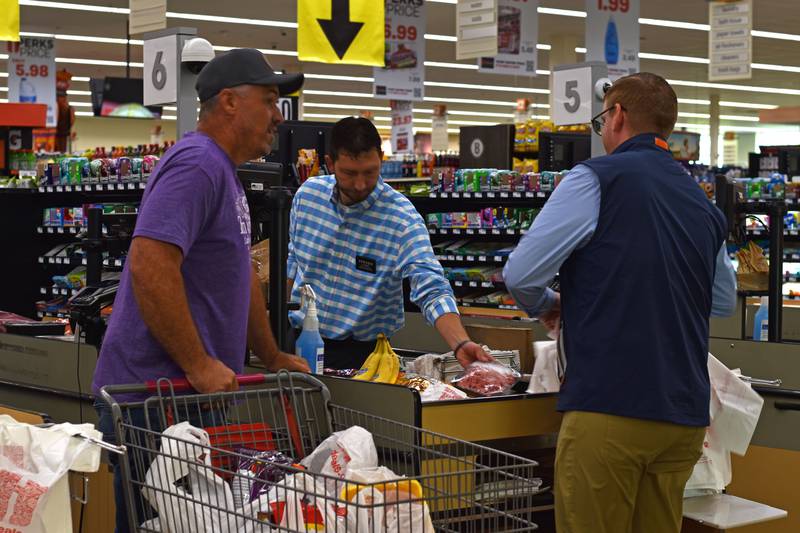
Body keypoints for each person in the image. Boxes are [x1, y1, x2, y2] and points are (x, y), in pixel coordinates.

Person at [502, 72, 737, 533]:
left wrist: (551, 303)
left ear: (618, 116)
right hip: (683, 417)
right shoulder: (703, 204)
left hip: (609, 408)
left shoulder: (595, 178)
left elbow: (520, 274)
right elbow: (723, 300)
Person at [92, 48, 309, 532]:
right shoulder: (197, 164)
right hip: (152, 400)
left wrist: (270, 354)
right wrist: (197, 362)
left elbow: (243, 274)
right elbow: (150, 264)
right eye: (270, 100)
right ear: (230, 102)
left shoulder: (225, 173)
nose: (279, 115)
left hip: (184, 401)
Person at [287, 117, 493, 369]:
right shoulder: (308, 196)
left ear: (381, 159)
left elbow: (431, 284)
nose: (360, 184)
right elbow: (293, 264)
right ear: (330, 164)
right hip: (296, 342)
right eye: (350, 173)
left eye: (370, 172)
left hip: (362, 356)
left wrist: (460, 343)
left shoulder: (401, 218)